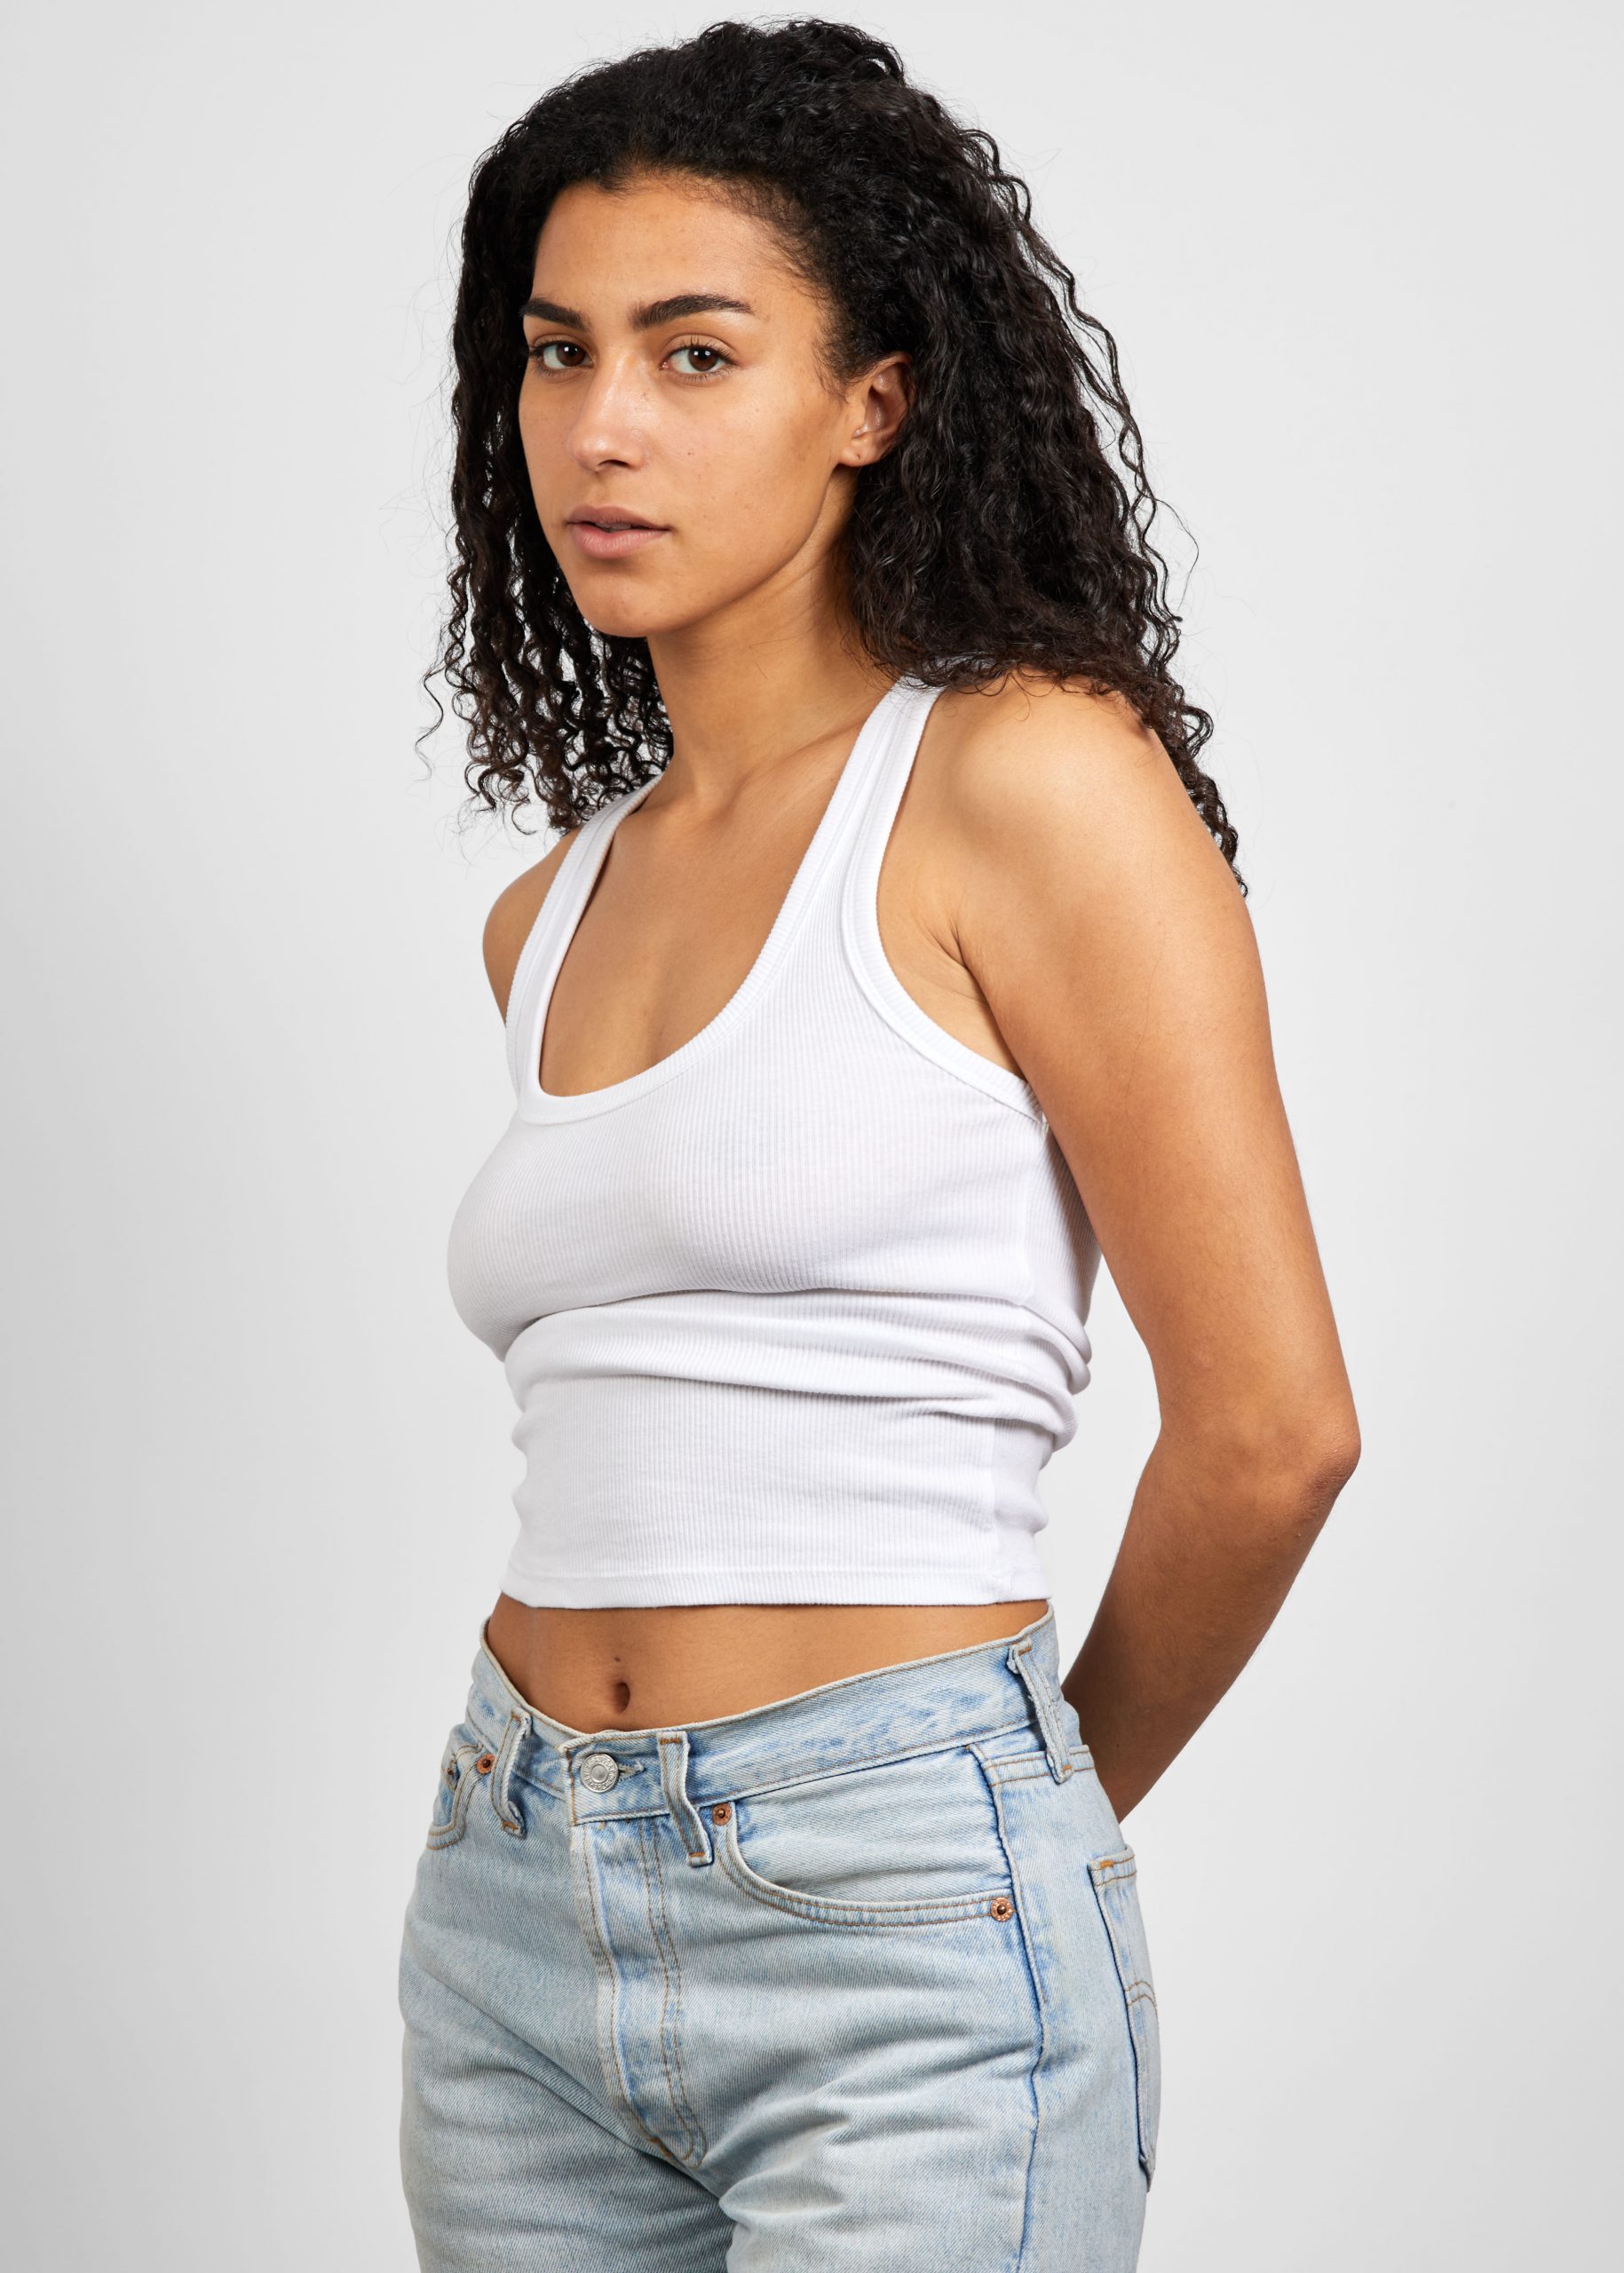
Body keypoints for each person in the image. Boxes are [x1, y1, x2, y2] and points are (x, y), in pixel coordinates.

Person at [397, 19, 1359, 2269]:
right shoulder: (552, 909)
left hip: (901, 1916)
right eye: (557, 351)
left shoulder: (1028, 782)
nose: (601, 424)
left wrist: (1000, 1810)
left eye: (695, 352)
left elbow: (1275, 1430)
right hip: (512, 1903)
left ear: (876, 402)